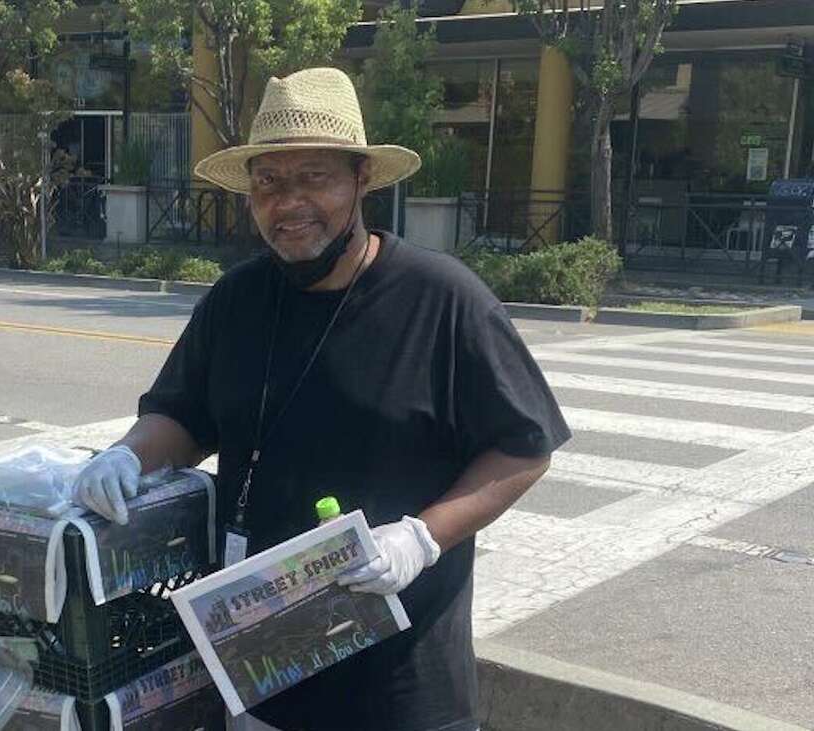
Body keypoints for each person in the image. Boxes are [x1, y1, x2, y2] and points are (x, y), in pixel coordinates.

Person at [74, 67, 571, 731]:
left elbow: (524, 447)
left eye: (315, 177)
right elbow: (181, 415)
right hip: (260, 677)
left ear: (361, 179)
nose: (289, 202)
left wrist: (421, 538)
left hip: (402, 692)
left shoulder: (444, 302)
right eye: (270, 181)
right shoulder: (236, 301)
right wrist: (129, 456)